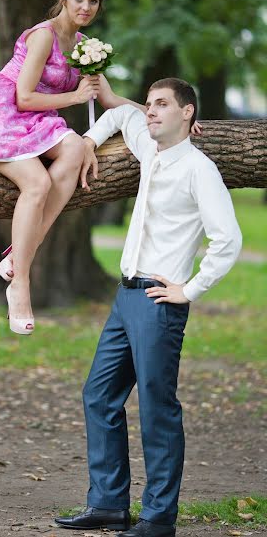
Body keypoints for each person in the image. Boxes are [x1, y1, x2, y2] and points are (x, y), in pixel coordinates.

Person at [55, 78, 242, 536]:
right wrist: (88, 140)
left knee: (157, 408)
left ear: (188, 113)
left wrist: (189, 290)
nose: (150, 111)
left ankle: (159, 518)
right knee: (99, 395)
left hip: (159, 304)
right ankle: (108, 504)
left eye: (161, 105)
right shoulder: (148, 146)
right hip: (124, 298)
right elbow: (119, 115)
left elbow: (229, 240)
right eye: (150, 103)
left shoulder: (199, 170)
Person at [0, 0, 145, 335]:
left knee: (73, 149)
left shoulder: (87, 48)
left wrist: (162, 114)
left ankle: (18, 256)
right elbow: (22, 96)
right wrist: (74, 96)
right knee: (36, 184)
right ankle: (20, 285)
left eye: (94, 1)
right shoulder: (43, 36)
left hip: (37, 120)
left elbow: (111, 99)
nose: (85, 7)